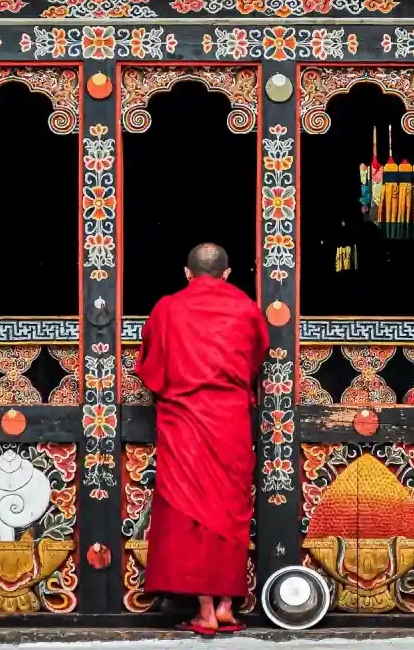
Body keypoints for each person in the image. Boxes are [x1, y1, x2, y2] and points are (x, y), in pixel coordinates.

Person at [136, 242, 269, 635]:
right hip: (229, 420)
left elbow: (150, 365)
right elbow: (256, 354)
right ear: (227, 273)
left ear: (187, 272)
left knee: (193, 513)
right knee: (229, 511)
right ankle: (227, 605)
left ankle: (205, 610)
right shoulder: (246, 308)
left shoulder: (168, 308)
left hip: (185, 421)